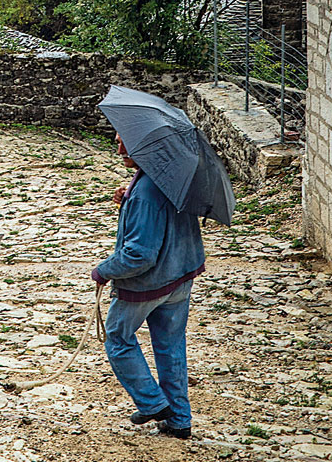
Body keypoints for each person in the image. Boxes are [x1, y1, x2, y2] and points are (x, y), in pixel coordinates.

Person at [91, 133, 206, 439]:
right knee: (171, 347)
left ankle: (152, 403)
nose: (119, 148)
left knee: (118, 338)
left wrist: (103, 271)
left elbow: (139, 255)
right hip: (180, 276)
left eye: (124, 142)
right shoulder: (170, 178)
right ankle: (179, 420)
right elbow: (161, 217)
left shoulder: (144, 191)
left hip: (148, 284)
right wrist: (128, 201)